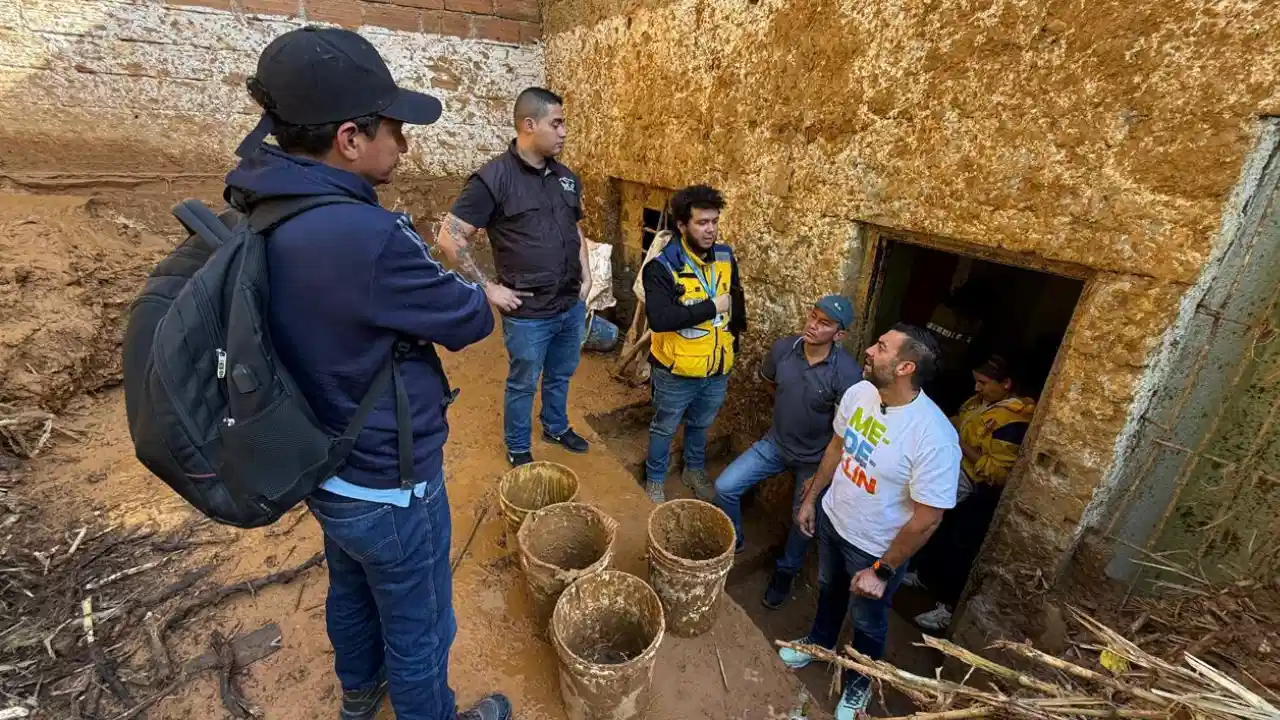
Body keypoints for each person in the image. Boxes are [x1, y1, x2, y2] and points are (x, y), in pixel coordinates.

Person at [225, 27, 511, 720]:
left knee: (352, 591)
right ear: (350, 138)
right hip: (391, 482)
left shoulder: (268, 201)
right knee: (421, 629)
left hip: (325, 464)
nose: (404, 144)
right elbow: (471, 318)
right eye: (395, 129)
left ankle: (359, 698)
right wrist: (433, 292)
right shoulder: (368, 236)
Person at [778, 324, 960, 720]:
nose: (869, 351)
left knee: (868, 620)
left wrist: (882, 569)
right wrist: (812, 500)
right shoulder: (860, 392)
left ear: (904, 367)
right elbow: (837, 446)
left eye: (881, 347)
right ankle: (820, 644)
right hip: (833, 520)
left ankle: (860, 680)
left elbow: (928, 519)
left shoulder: (934, 437)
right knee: (828, 590)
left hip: (876, 548)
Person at [436, 87, 592, 467]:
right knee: (523, 381)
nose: (564, 132)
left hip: (569, 303)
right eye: (556, 123)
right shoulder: (493, 179)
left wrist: (587, 276)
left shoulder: (566, 178)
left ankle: (555, 426)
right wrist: (488, 287)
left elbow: (576, 230)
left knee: (561, 373)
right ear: (528, 125)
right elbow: (448, 237)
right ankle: (518, 445)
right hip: (528, 311)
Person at [712, 296, 862, 609]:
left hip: (815, 460)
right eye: (813, 316)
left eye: (825, 323)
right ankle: (735, 539)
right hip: (775, 444)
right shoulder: (784, 349)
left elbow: (845, 432)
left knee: (802, 522)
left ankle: (785, 573)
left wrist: (820, 478)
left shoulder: (847, 374)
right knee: (725, 487)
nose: (813, 325)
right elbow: (770, 385)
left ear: (840, 335)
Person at [912, 354, 1036, 632]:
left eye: (983, 383)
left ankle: (946, 607)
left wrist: (957, 442)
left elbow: (998, 473)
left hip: (979, 492)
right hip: (953, 471)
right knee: (938, 532)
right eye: (976, 382)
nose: (977, 388)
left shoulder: (1014, 422)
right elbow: (960, 419)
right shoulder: (982, 403)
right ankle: (924, 576)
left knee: (958, 547)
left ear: (1006, 384)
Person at [641, 184, 746, 503]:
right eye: (702, 222)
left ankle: (693, 469)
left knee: (701, 424)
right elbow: (661, 319)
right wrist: (713, 306)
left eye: (714, 221)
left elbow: (736, 298)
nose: (710, 229)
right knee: (664, 427)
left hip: (716, 368)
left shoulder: (726, 256)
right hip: (676, 371)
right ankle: (655, 478)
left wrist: (734, 346)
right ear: (682, 225)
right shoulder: (661, 267)